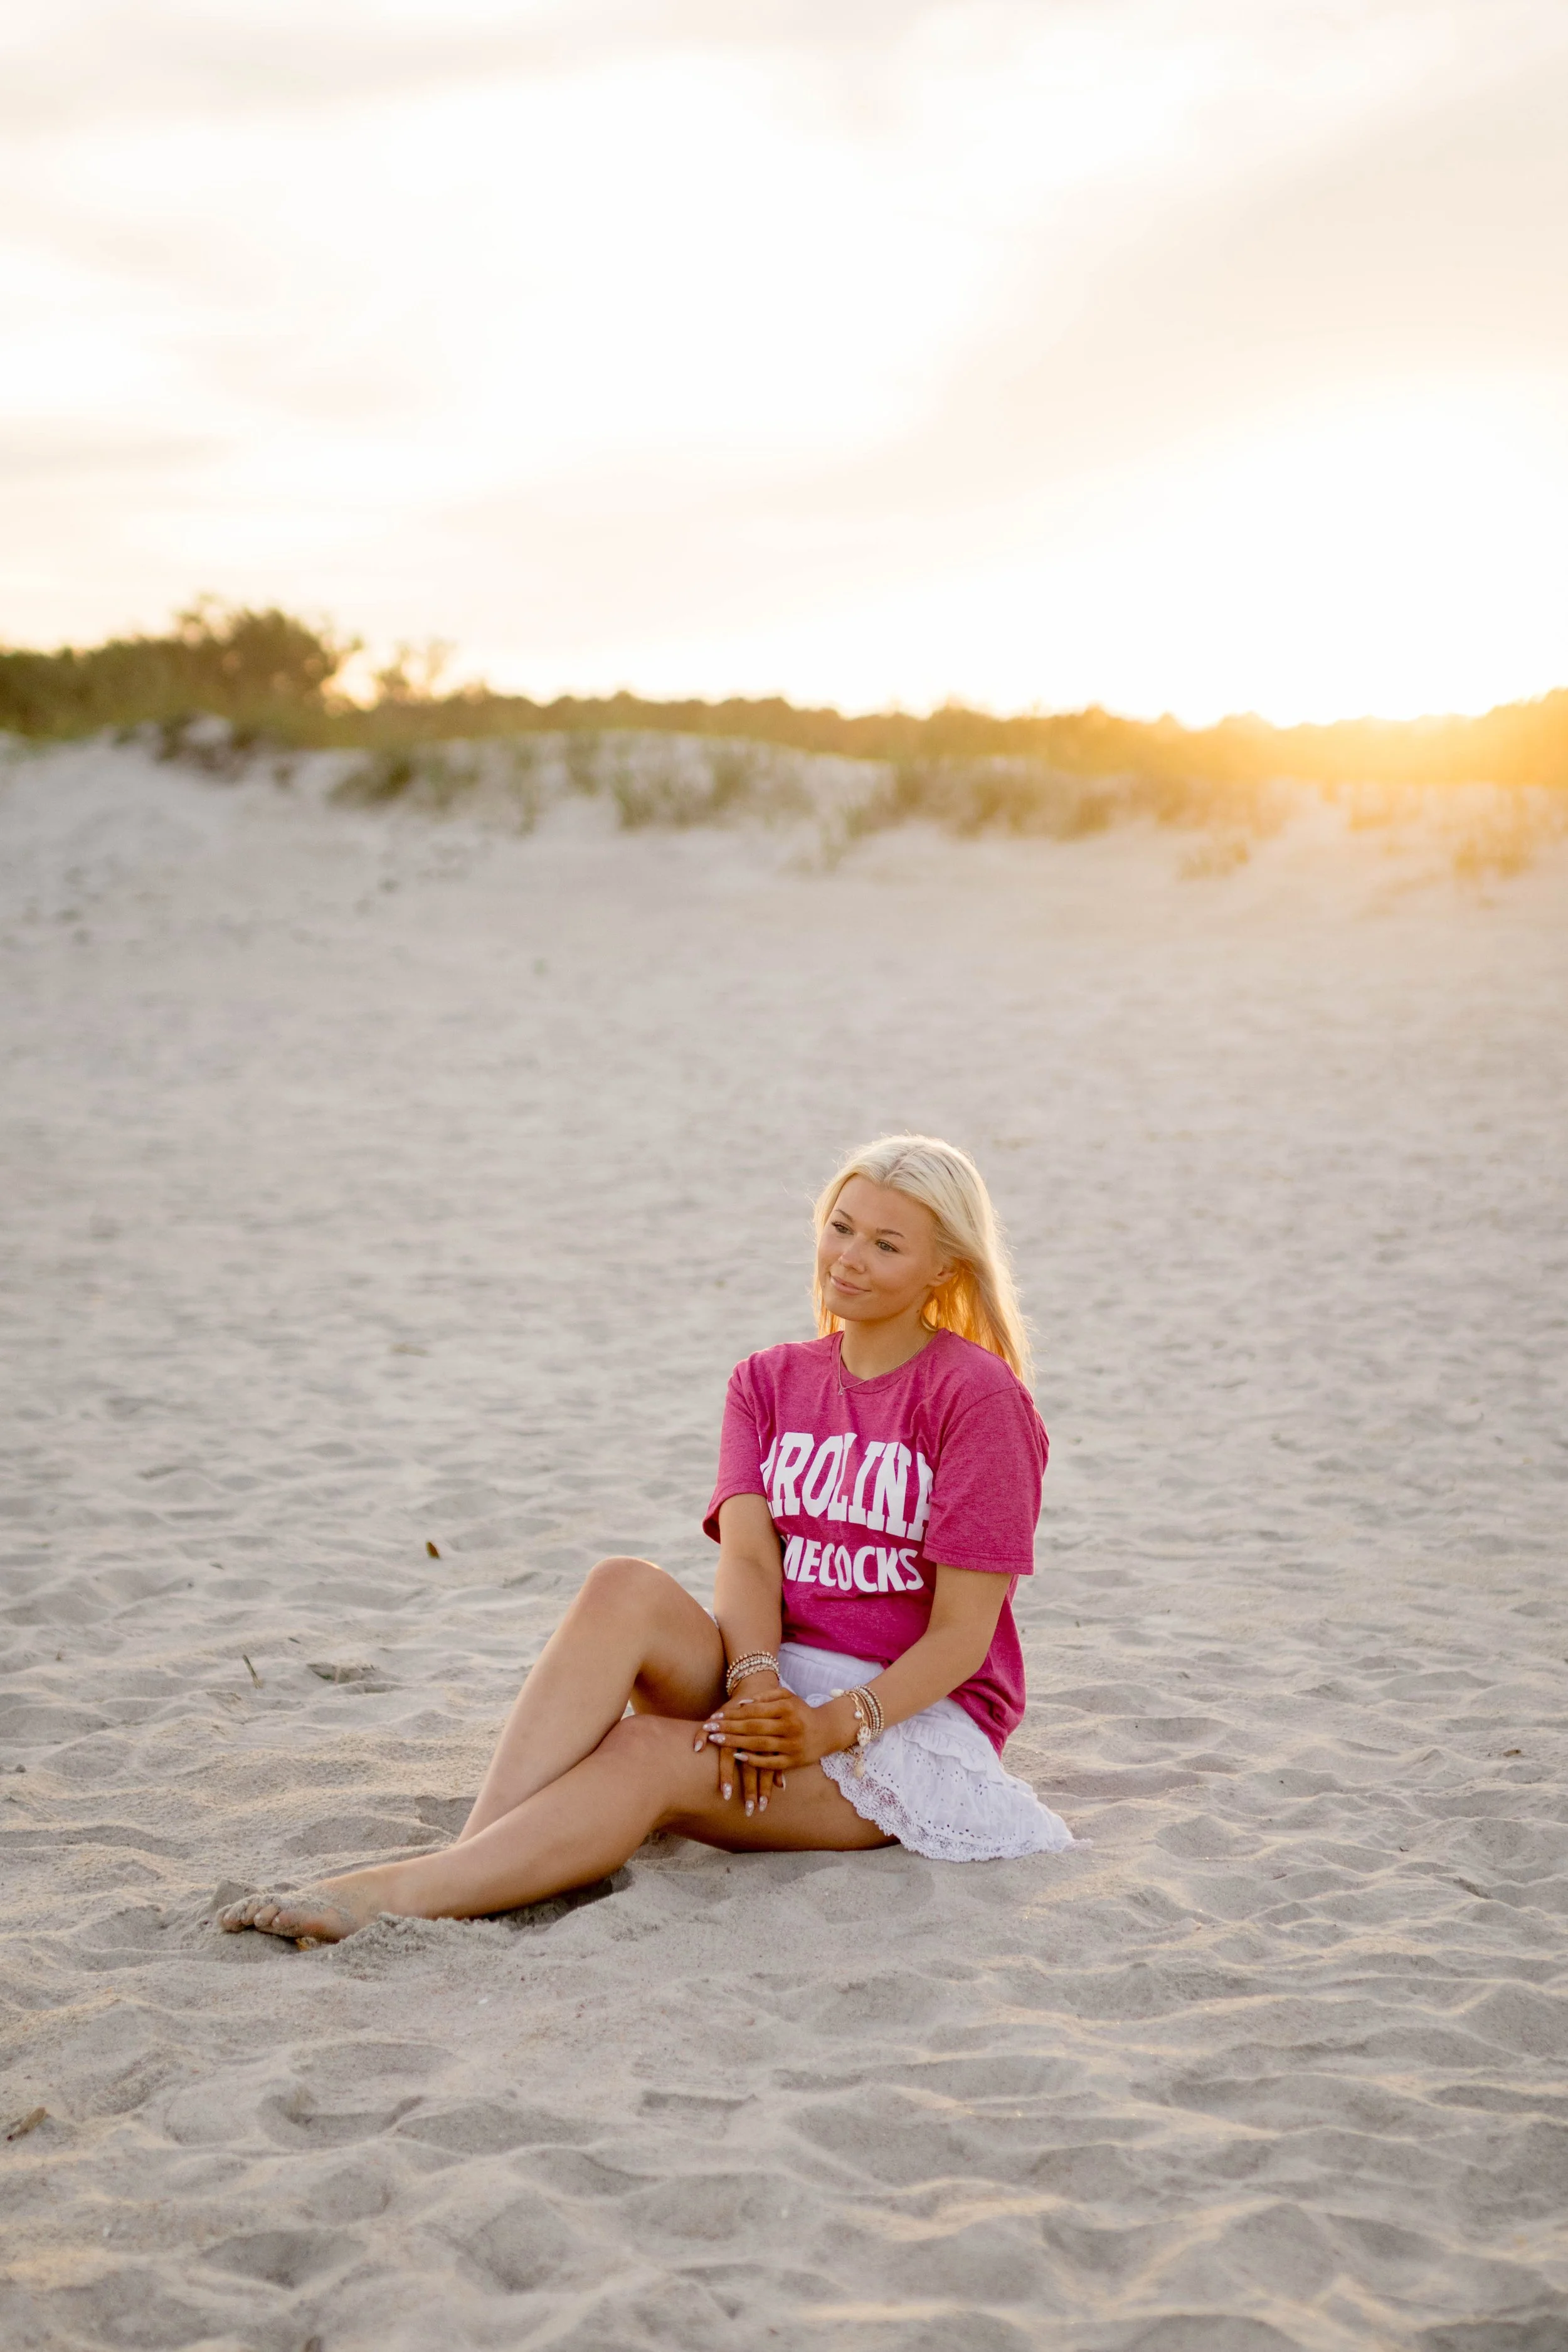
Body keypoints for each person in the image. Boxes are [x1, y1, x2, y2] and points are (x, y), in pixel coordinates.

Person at [220, 1135, 1076, 1947]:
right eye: (840, 1226)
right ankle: (465, 1866)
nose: (848, 1256)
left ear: (943, 1268)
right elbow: (747, 1558)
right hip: (772, 1671)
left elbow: (963, 1635)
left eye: (886, 1244)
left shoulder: (977, 1397)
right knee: (621, 1583)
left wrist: (825, 1726)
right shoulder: (768, 1379)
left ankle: (401, 1896)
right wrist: (755, 1680)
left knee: (644, 1751)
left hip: (899, 1722)